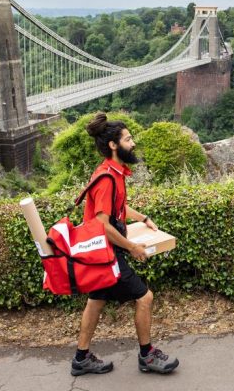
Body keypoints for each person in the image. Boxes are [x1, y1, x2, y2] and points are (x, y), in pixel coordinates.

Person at [70, 113, 180, 376]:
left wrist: (143, 218)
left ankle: (80, 359)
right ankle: (147, 356)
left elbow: (118, 208)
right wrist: (133, 248)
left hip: (101, 252)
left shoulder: (112, 173)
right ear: (113, 145)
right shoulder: (107, 179)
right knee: (145, 297)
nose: (133, 143)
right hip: (106, 254)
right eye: (128, 139)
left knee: (96, 301)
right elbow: (104, 226)